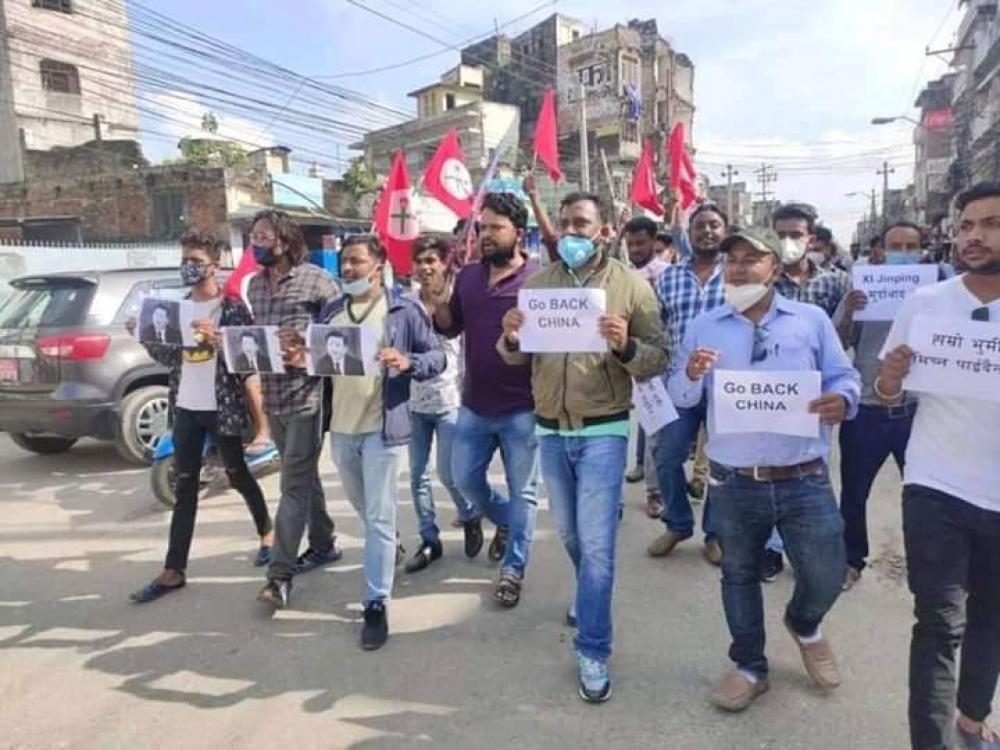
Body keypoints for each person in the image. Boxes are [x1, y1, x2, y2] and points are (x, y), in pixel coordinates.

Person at [668, 226, 860, 713]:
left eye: (750, 259)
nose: (737, 267)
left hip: (804, 476)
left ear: (774, 269)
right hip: (734, 481)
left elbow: (843, 376)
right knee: (738, 575)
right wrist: (691, 375)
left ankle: (805, 623)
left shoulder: (811, 320)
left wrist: (844, 399)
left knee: (825, 571)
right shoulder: (705, 325)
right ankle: (751, 665)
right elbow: (679, 396)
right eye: (731, 260)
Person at [498, 192, 667, 703]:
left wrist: (625, 345)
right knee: (571, 534)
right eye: (566, 223)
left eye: (582, 223)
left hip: (604, 430)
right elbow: (513, 357)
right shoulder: (539, 285)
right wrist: (509, 337)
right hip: (551, 429)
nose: (573, 232)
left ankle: (592, 648)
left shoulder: (631, 286)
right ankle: (586, 591)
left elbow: (658, 357)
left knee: (596, 546)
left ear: (604, 229)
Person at [877, 182, 1000, 750]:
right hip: (936, 485)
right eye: (969, 224)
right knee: (939, 623)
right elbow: (886, 392)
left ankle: (972, 720)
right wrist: (893, 379)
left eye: (991, 224)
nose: (975, 236)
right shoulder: (925, 303)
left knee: (992, 616)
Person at [308, 234, 444, 650]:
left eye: (356, 261)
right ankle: (389, 551)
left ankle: (375, 603)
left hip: (382, 430)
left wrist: (408, 362)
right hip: (342, 430)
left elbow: (435, 356)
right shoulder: (332, 311)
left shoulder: (401, 310)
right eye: (344, 262)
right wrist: (300, 356)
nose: (348, 269)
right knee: (365, 511)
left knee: (380, 517)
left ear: (378, 263)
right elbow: (318, 365)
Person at [129, 229, 273, 603]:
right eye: (184, 261)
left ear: (215, 265)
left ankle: (267, 534)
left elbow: (248, 361)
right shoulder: (175, 309)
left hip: (221, 406)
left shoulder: (232, 308)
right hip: (186, 407)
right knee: (186, 487)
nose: (188, 268)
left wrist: (219, 341)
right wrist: (145, 337)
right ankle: (173, 569)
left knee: (238, 473)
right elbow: (169, 359)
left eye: (195, 261)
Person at [428, 192, 541, 608]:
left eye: (496, 227)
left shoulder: (538, 280)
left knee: (524, 492)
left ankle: (513, 569)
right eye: (482, 227)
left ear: (518, 232)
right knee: (464, 480)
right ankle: (508, 522)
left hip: (524, 409)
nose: (486, 234)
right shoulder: (470, 276)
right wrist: (439, 302)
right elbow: (450, 327)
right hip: (474, 404)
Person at [248, 210, 341, 609]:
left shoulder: (317, 281)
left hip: (307, 396)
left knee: (293, 486)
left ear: (284, 241)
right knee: (299, 473)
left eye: (264, 236)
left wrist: (304, 341)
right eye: (253, 236)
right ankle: (323, 543)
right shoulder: (253, 287)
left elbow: (342, 335)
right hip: (274, 396)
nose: (256, 243)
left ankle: (280, 574)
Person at [763, 203, 852, 581]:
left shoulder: (834, 282)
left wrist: (849, 312)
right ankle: (771, 547)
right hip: (766, 394)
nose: (788, 242)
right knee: (767, 470)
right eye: (780, 234)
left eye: (795, 235)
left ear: (810, 238)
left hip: (814, 401)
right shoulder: (762, 281)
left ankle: (806, 551)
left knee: (812, 474)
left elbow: (844, 342)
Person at [834, 222, 922, 591]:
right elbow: (837, 340)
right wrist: (851, 310)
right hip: (867, 411)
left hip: (919, 412)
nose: (902, 251)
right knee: (854, 493)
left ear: (922, 250)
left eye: (910, 246)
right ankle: (851, 560)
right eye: (894, 245)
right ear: (880, 251)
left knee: (924, 498)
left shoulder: (938, 291)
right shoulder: (863, 290)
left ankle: (928, 568)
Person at [649, 202, 729, 564]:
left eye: (714, 225)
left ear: (724, 232)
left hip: (727, 388)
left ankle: (715, 533)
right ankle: (678, 524)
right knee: (667, 456)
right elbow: (658, 327)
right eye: (700, 226)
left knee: (721, 464)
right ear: (689, 234)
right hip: (680, 384)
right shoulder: (668, 277)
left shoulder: (738, 275)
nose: (707, 232)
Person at [403, 235, 476, 573]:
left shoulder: (458, 299)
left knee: (451, 474)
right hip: (414, 404)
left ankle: (470, 513)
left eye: (432, 260)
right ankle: (429, 539)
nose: (425, 267)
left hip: (450, 401)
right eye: (420, 261)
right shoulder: (405, 303)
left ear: (445, 262)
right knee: (418, 476)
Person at [621, 215, 671, 517]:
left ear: (655, 242)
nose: (636, 249)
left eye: (640, 243)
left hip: (655, 362)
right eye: (630, 244)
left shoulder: (667, 275)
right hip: (624, 359)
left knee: (655, 430)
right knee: (629, 428)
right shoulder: (622, 275)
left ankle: (655, 492)